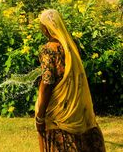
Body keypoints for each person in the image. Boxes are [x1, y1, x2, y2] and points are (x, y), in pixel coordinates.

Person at [35, 9, 106, 152]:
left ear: (46, 28)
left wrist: (40, 116)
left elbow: (48, 82)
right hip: (75, 106)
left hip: (59, 111)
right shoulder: (71, 47)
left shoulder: (49, 49)